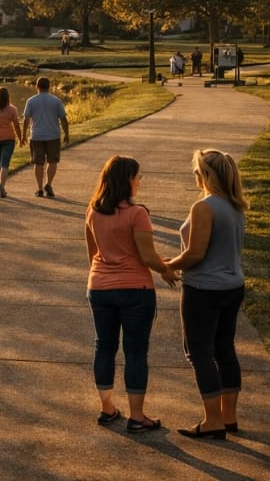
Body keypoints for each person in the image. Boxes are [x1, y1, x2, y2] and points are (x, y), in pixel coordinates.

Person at [85, 156, 178, 433]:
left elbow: (93, 254)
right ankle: (137, 417)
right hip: (135, 290)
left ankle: (107, 409)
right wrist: (166, 270)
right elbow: (147, 257)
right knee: (135, 352)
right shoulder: (137, 214)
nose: (140, 181)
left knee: (104, 346)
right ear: (128, 180)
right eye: (138, 176)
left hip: (99, 287)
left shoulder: (93, 211)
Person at [165, 149, 249, 440]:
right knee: (225, 348)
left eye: (196, 171)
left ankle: (212, 421)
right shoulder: (235, 205)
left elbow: (195, 254)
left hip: (204, 289)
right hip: (232, 286)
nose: (194, 176)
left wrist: (167, 266)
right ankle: (229, 417)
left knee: (200, 352)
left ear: (206, 175)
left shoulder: (205, 207)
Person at [22, 76, 69, 198]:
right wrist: (66, 134)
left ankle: (39, 188)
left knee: (38, 163)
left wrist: (23, 135)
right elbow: (63, 119)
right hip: (53, 135)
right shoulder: (56, 101)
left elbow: (26, 120)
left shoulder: (31, 101)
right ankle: (48, 184)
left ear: (37, 86)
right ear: (49, 87)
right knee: (52, 161)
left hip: (37, 136)